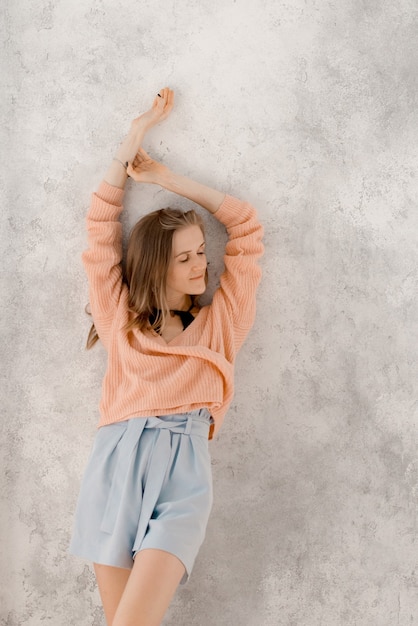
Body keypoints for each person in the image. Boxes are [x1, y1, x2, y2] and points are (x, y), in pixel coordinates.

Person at [69, 87, 264, 626]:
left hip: (184, 474)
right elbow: (99, 233)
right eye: (185, 259)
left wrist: (166, 179)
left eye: (201, 252)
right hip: (115, 463)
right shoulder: (122, 323)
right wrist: (130, 140)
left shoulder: (218, 328)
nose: (201, 266)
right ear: (158, 267)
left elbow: (246, 227)